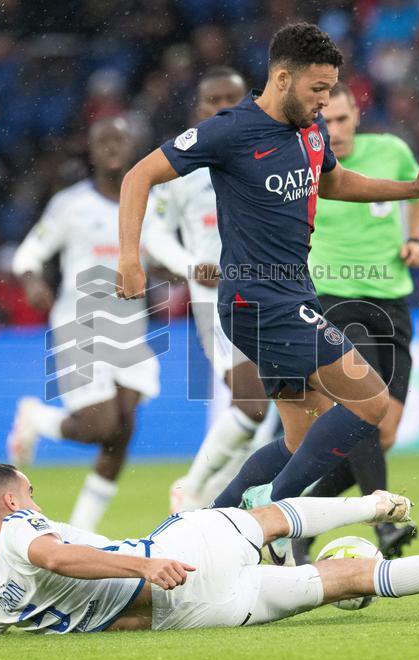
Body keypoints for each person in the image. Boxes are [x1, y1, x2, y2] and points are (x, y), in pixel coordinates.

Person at [116, 23, 419, 563]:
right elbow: (138, 176)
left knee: (303, 437)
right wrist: (130, 259)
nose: (325, 101)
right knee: (369, 401)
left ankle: (201, 539)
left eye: (331, 91)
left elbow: (334, 182)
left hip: (292, 296)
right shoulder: (230, 130)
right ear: (281, 77)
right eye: (318, 89)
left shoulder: (310, 131)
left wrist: (413, 189)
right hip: (258, 301)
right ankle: (267, 520)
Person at [0, 462, 419, 634]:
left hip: (194, 616)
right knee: (267, 519)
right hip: (174, 559)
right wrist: (146, 561)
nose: (38, 503)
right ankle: (373, 504)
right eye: (31, 493)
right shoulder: (24, 530)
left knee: (349, 579)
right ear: (12, 505)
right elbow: (59, 557)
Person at [294, 82, 419, 563]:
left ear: (357, 115)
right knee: (364, 410)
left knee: (382, 431)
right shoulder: (303, 161)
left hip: (391, 302)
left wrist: (416, 239)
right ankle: (385, 523)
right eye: (324, 122)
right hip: (334, 301)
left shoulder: (390, 150)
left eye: (341, 120)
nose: (332, 131)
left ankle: (302, 523)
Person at [6, 117, 161, 532]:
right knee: (101, 425)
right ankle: (36, 417)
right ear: (90, 152)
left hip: (131, 328)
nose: (112, 147)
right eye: (103, 140)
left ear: (133, 147)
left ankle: (81, 533)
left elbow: (162, 251)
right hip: (81, 325)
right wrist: (34, 281)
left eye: (119, 139)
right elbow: (27, 255)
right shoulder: (70, 204)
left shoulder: (150, 199)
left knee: (122, 431)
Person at [143, 66, 275, 512]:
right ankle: (194, 487)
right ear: (197, 108)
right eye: (211, 100)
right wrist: (190, 266)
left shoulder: (266, 152)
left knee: (266, 408)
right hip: (216, 298)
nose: (220, 108)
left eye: (229, 99)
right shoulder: (181, 163)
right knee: (253, 401)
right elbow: (152, 233)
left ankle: (219, 503)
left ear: (247, 102)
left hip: (271, 289)